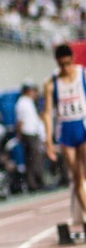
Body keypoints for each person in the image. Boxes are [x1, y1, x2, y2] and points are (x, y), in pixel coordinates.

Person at [43, 43, 86, 225]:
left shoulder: (83, 74)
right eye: (61, 65)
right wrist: (49, 140)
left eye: (68, 64)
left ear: (73, 60)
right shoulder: (51, 83)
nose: (65, 68)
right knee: (77, 177)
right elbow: (47, 113)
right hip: (66, 131)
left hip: (83, 125)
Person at [14, 81, 45, 192]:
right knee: (33, 159)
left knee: (35, 158)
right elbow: (20, 121)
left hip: (32, 133)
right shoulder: (22, 103)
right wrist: (20, 135)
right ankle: (35, 183)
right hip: (28, 133)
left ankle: (36, 182)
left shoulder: (28, 102)